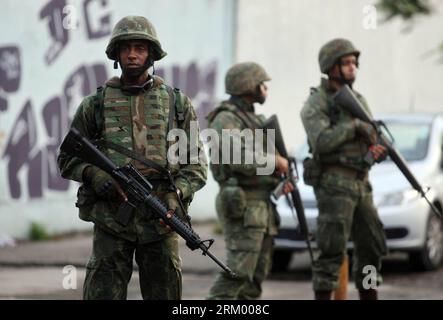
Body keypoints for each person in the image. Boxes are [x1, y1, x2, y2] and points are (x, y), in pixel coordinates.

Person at [57, 16, 207, 300]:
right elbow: (67, 158)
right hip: (112, 220)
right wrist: (94, 174)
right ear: (116, 54)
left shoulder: (177, 103)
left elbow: (196, 164)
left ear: (151, 53)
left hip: (160, 219)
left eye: (140, 47)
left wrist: (177, 195)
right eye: (126, 48)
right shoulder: (95, 104)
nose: (133, 54)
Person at [300, 38, 388, 300]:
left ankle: (369, 294)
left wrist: (376, 150)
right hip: (334, 185)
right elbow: (321, 141)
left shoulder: (357, 99)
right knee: (331, 252)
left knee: (372, 246)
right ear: (331, 66)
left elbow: (372, 134)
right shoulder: (316, 103)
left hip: (362, 183)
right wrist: (353, 127)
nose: (352, 68)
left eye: (354, 63)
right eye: (346, 63)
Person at [206, 62, 293, 299]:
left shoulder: (253, 119)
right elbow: (238, 158)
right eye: (261, 84)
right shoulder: (225, 119)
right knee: (238, 274)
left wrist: (280, 176)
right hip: (243, 205)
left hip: (262, 205)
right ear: (247, 85)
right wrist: (276, 162)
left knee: (254, 280)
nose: (265, 88)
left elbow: (262, 162)